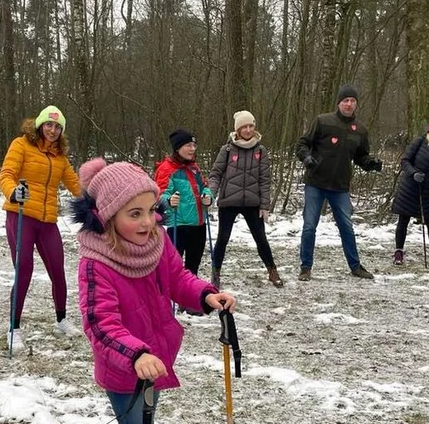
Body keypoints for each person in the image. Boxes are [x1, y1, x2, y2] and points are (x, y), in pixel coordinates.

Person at [65, 158, 236, 424]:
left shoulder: (158, 242)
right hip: (124, 363)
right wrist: (136, 352)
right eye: (134, 214)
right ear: (107, 216)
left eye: (151, 211)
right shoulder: (96, 261)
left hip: (155, 358)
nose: (146, 222)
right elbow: (99, 322)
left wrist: (205, 294)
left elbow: (179, 278)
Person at [0, 105, 81, 351]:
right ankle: (14, 328)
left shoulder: (60, 157)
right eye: (49, 124)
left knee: (58, 269)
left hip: (47, 221)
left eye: (57, 127)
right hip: (21, 215)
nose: (53, 130)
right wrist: (14, 191)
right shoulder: (21, 145)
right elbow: (6, 174)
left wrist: (97, 201)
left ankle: (61, 319)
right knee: (24, 269)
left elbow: (76, 185)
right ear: (39, 125)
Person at [296, 84, 383, 280]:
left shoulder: (360, 129)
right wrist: (307, 158)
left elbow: (361, 156)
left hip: (340, 186)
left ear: (356, 105)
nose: (349, 104)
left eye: (353, 101)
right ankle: (305, 267)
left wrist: (371, 164)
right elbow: (302, 144)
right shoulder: (322, 121)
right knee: (310, 225)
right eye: (346, 100)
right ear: (339, 103)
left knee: (346, 226)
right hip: (316, 182)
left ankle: (355, 266)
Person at [207, 110, 283, 288]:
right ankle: (215, 272)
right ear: (238, 129)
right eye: (244, 127)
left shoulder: (261, 150)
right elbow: (216, 174)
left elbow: (265, 180)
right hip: (228, 202)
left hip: (253, 203)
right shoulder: (227, 149)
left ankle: (272, 270)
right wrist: (211, 194)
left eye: (251, 126)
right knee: (223, 239)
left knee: (261, 238)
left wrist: (265, 205)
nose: (248, 130)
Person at [390, 115, 429, 266]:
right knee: (403, 219)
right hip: (410, 188)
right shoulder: (419, 142)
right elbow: (405, 161)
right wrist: (413, 173)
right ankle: (398, 252)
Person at [154, 129, 213, 279]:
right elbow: (159, 194)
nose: (193, 149)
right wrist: (168, 200)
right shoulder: (166, 169)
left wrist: (208, 197)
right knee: (174, 266)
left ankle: (189, 298)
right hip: (178, 225)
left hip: (199, 224)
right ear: (177, 147)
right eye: (188, 145)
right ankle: (172, 296)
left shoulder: (194, 167)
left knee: (194, 265)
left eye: (194, 145)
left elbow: (205, 186)